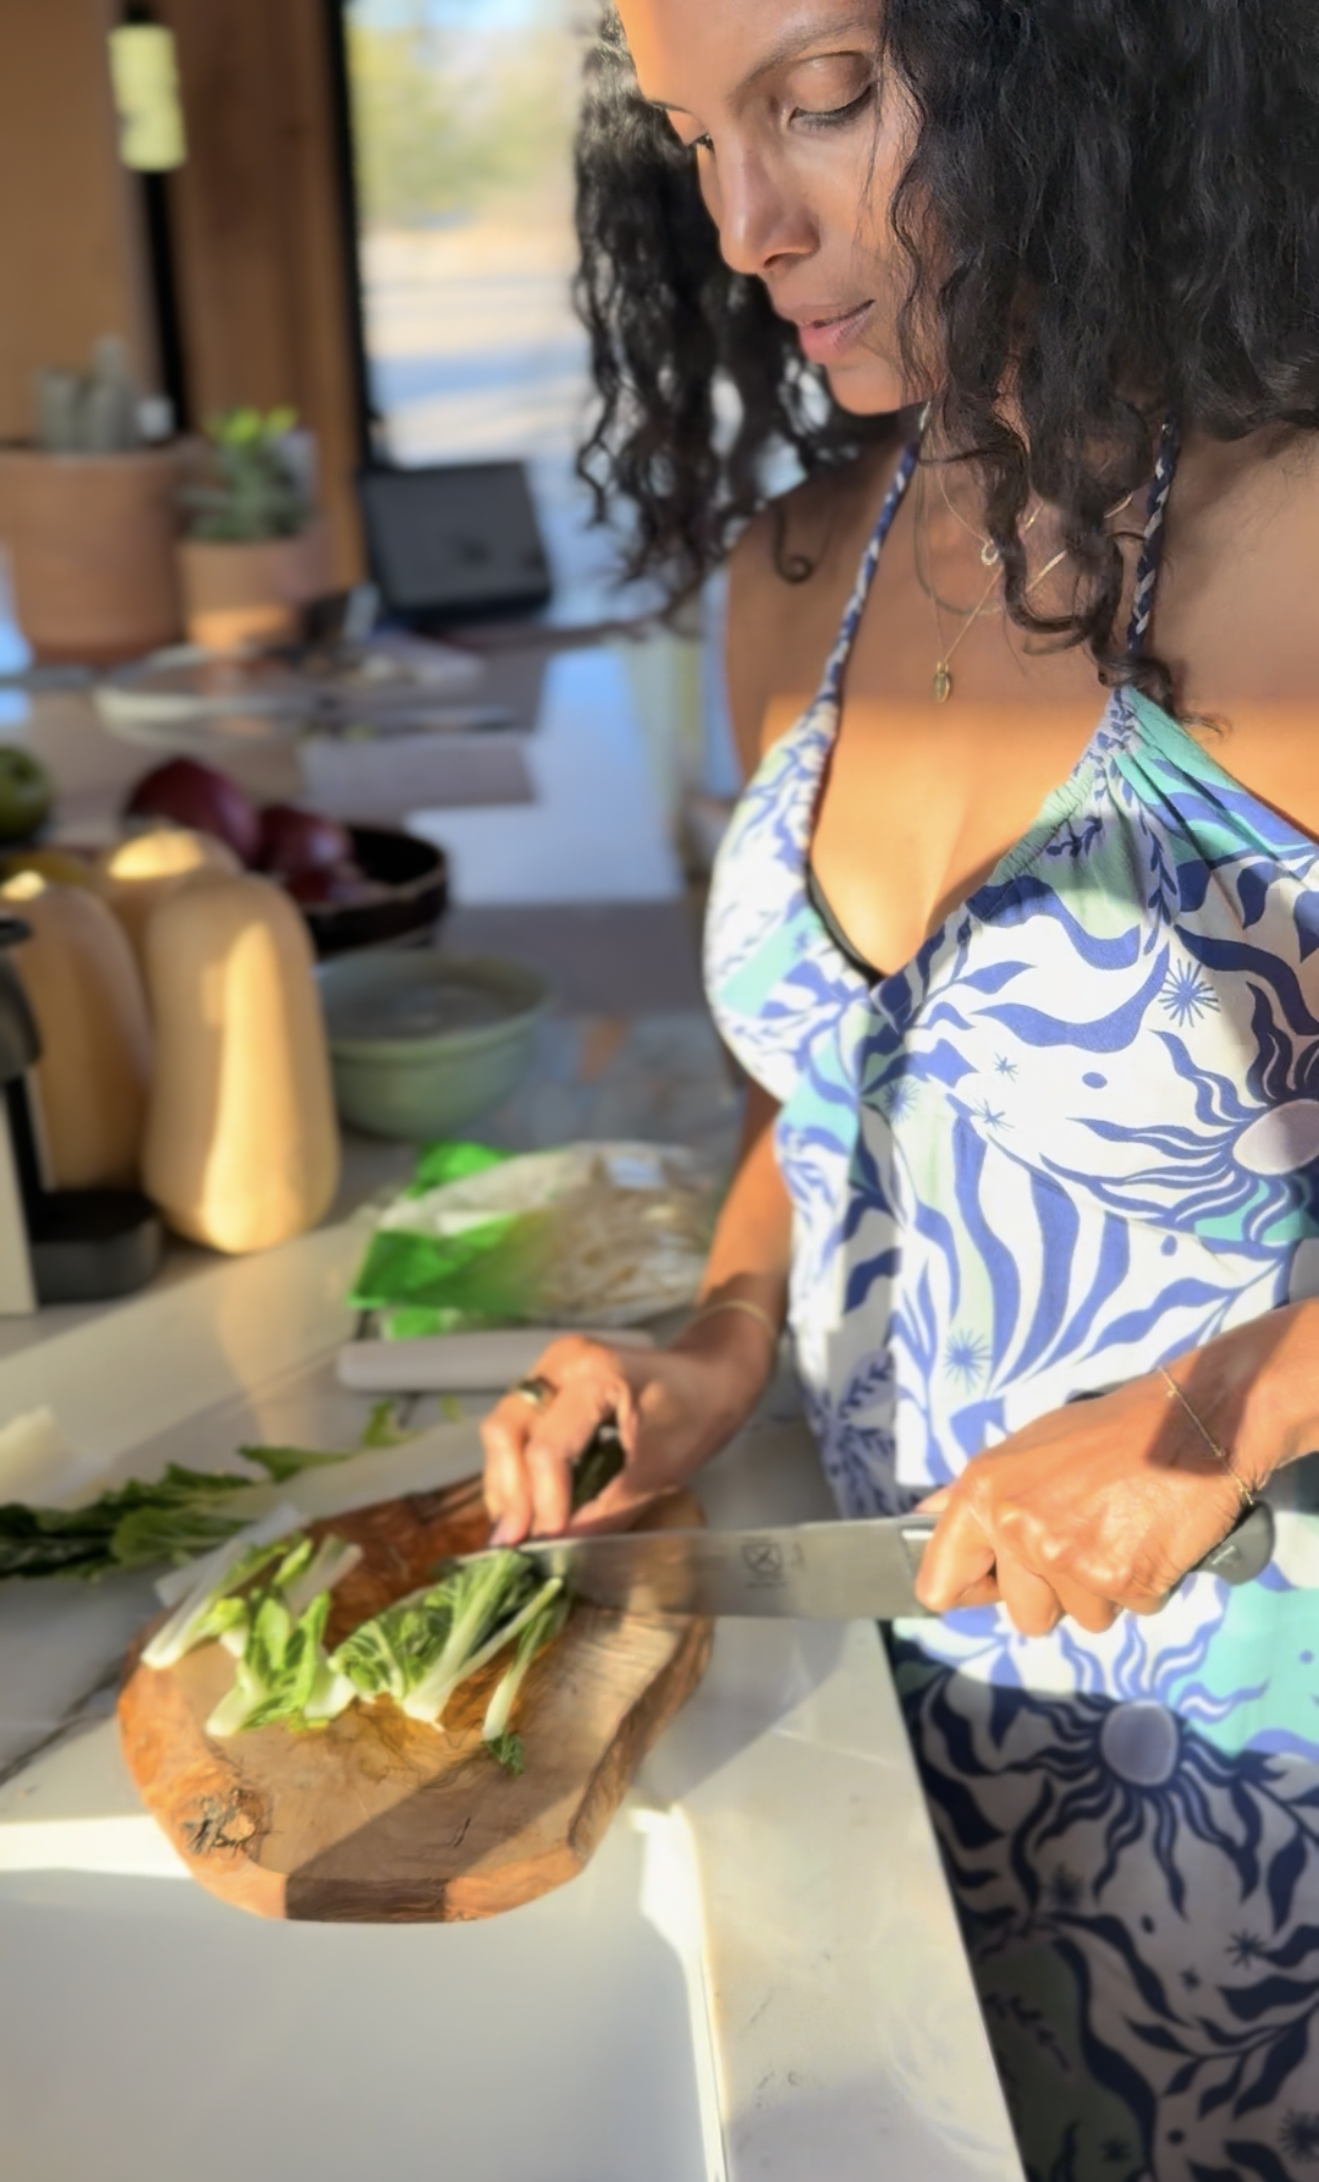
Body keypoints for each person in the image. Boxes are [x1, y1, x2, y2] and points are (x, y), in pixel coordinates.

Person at [480, 2, 1319, 2170]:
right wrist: (721, 1338)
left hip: (1263, 1797)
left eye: (822, 100)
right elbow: (835, 1086)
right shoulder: (802, 577)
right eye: (690, 138)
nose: (748, 221)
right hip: (894, 1723)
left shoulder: (1293, 545)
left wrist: (1223, 1402)